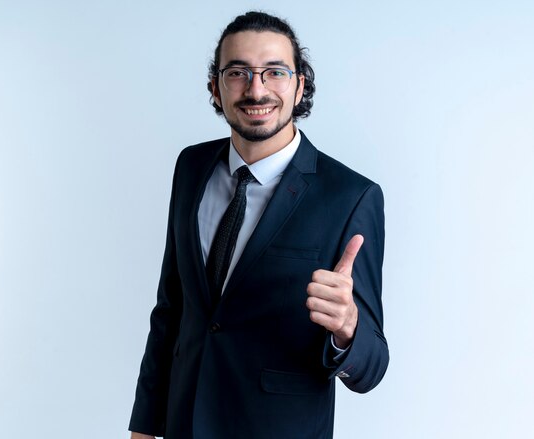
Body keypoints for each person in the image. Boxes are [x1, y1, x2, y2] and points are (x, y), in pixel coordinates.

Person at [129, 11, 388, 439]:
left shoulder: (350, 197)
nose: (256, 89)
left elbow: (373, 365)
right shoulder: (191, 166)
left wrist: (348, 328)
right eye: (238, 72)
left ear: (299, 84)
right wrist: (144, 426)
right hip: (183, 424)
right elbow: (171, 310)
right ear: (215, 86)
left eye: (275, 72)